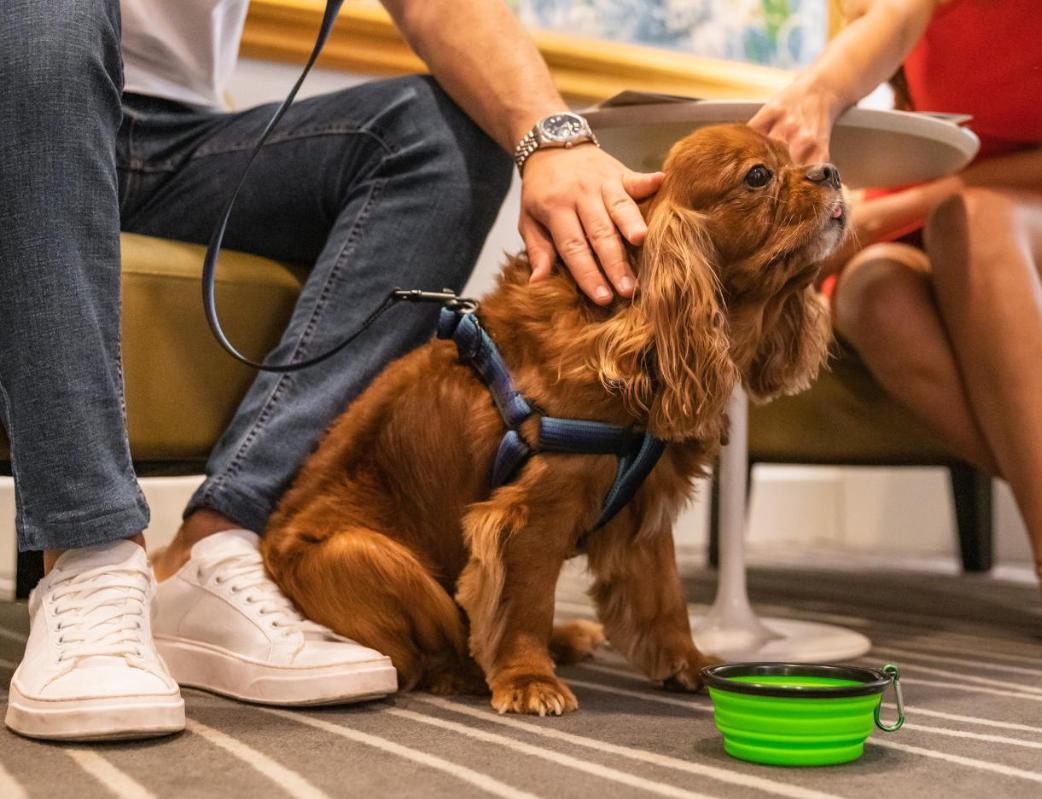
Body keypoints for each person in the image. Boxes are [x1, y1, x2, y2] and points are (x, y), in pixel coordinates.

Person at [0, 0, 661, 740]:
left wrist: (551, 137)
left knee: (441, 134)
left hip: (173, 132)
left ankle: (217, 543)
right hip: (20, 80)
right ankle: (90, 563)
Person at [751, 0, 1042, 663]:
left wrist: (894, 212)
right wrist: (814, 96)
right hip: (933, 203)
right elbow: (888, 27)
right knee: (869, 296)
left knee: (975, 224)